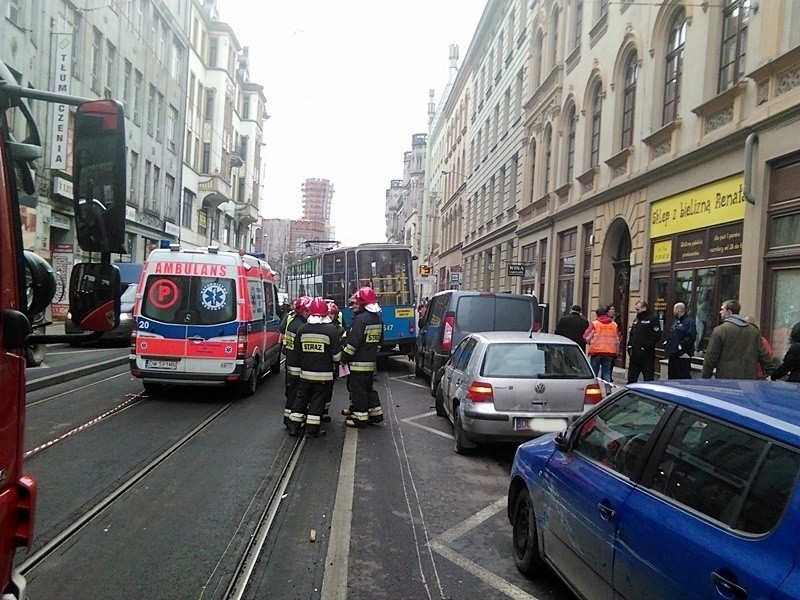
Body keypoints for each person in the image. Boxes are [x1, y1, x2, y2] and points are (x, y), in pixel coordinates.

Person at [287, 297, 343, 438]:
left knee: (301, 400)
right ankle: (312, 429)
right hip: (323, 376)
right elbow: (336, 356)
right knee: (317, 401)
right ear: (325, 313)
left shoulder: (302, 329)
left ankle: (293, 426)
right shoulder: (331, 330)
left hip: (305, 374)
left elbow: (298, 352)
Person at [341, 286, 384, 428]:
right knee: (367, 388)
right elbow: (379, 341)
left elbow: (353, 343)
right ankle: (375, 414)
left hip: (357, 363)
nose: (353, 306)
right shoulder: (377, 318)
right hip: (370, 362)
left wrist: (344, 358)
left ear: (362, 303)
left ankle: (360, 418)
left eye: (356, 303)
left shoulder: (360, 320)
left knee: (358, 390)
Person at [701, 299, 777, 380]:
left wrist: (705, 378)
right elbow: (764, 355)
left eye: (722, 309)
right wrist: (773, 374)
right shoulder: (753, 331)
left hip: (726, 380)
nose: (720, 312)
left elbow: (711, 357)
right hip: (749, 380)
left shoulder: (720, 331)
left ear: (729, 312)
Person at [280, 295, 312, 427]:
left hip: (291, 364)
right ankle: (295, 421)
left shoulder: (292, 323)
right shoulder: (302, 327)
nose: (309, 313)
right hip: (299, 365)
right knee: (299, 395)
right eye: (307, 311)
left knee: (292, 393)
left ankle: (288, 418)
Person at [627, 300, 662, 383]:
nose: (636, 311)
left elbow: (656, 335)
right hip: (635, 355)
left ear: (644, 308)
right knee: (631, 379)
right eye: (636, 309)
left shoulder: (652, 319)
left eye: (638, 309)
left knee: (648, 379)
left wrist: (646, 346)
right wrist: (629, 346)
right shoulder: (637, 319)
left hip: (646, 356)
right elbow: (632, 334)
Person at [584, 306, 619, 388]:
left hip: (596, 351)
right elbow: (617, 339)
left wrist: (590, 343)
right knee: (607, 372)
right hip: (609, 352)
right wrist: (616, 351)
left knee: (594, 372)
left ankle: (594, 388)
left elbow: (586, 337)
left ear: (597, 315)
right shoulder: (614, 324)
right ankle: (608, 390)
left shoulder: (595, 324)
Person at [665, 302, 696, 379]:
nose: (673, 311)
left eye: (674, 309)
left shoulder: (689, 322)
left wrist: (681, 347)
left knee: (682, 378)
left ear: (678, 310)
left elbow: (690, 337)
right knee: (672, 379)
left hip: (682, 358)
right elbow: (672, 335)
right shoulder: (676, 322)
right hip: (673, 356)